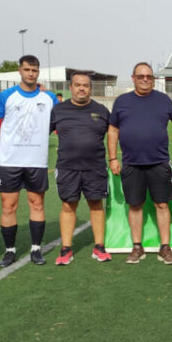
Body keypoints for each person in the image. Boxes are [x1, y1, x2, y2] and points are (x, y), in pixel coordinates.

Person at [108, 62, 172, 265]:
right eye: (141, 76)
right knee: (135, 205)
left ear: (153, 79)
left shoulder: (163, 100)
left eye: (149, 76)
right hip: (131, 163)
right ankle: (137, 247)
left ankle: (165, 248)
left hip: (159, 162)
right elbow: (113, 130)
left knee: (162, 204)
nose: (145, 79)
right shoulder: (122, 101)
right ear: (133, 78)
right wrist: (112, 158)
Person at [0, 55, 59, 267]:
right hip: (9, 161)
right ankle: (10, 251)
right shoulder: (6, 96)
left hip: (36, 161)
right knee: (8, 206)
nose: (31, 74)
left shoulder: (49, 98)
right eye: (27, 70)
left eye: (34, 70)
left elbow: (56, 122)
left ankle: (36, 249)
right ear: (20, 71)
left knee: (37, 203)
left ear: (38, 72)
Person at [51, 72, 112, 265]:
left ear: (90, 88)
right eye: (78, 85)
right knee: (68, 206)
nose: (82, 88)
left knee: (96, 204)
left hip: (95, 167)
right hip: (67, 167)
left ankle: (99, 247)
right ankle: (66, 249)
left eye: (85, 85)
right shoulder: (58, 110)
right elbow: (41, 132)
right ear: (71, 87)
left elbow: (114, 133)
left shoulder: (101, 110)